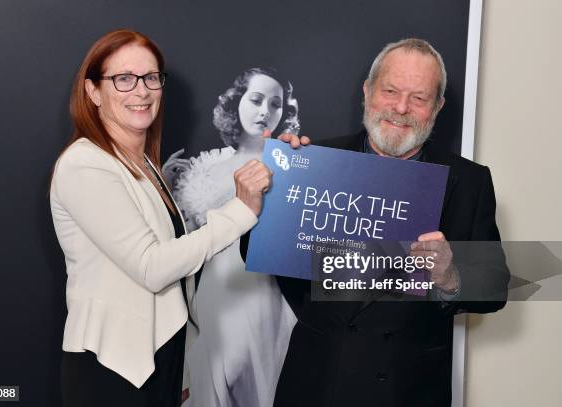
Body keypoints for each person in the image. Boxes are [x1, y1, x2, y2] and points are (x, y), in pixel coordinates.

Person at [240, 38, 510, 407]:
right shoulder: (317, 160)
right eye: (391, 91)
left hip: (409, 388)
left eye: (419, 98)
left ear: (438, 106)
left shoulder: (470, 182)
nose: (401, 108)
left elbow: (495, 287)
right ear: (367, 92)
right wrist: (271, 195)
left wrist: (451, 276)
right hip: (317, 382)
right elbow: (258, 252)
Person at [49, 29, 274, 407]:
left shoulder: (145, 164)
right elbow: (153, 267)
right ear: (93, 92)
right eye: (124, 79)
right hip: (112, 369)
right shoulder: (84, 163)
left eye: (151, 78)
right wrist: (240, 210)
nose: (142, 91)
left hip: (158, 362)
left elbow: (171, 278)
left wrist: (181, 367)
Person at [163, 68, 301, 407]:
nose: (265, 111)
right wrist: (164, 189)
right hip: (210, 299)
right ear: (236, 102)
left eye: (275, 104)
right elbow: (180, 242)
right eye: (255, 100)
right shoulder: (205, 168)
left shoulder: (291, 164)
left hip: (264, 297)